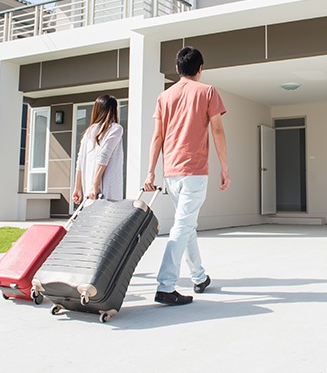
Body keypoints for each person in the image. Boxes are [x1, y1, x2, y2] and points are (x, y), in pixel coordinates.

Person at [144, 46, 229, 306]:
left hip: (171, 173)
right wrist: (225, 167)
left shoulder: (164, 96)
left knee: (187, 225)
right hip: (194, 172)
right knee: (182, 227)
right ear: (200, 69)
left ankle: (199, 277)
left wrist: (150, 171)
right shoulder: (208, 91)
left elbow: (157, 136)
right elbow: (217, 131)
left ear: (178, 69)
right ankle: (165, 286)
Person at [72, 94, 124, 204]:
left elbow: (80, 161)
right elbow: (104, 156)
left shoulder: (89, 131)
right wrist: (95, 185)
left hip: (90, 191)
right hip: (106, 190)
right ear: (114, 110)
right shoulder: (116, 129)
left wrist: (77, 188)